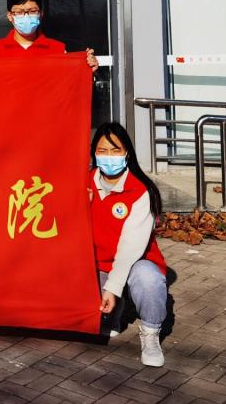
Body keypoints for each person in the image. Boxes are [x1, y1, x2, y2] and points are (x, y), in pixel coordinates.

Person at [89, 122, 168, 367]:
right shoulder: (82, 183)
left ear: (127, 153)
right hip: (93, 265)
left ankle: (151, 334)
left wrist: (113, 287)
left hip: (132, 263)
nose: (109, 157)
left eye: (116, 151)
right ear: (94, 153)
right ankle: (113, 314)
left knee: (148, 279)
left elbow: (129, 250)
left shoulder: (140, 191)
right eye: (102, 151)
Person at [0, 0, 98, 71]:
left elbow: (70, 86)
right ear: (10, 16)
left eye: (32, 11)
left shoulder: (58, 50)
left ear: (41, 13)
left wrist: (87, 69)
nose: (26, 16)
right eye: (19, 12)